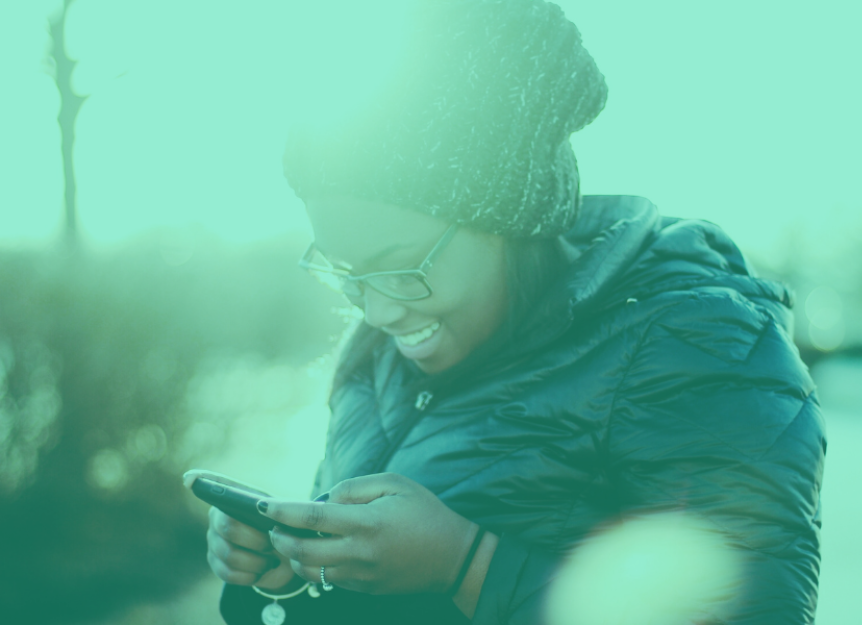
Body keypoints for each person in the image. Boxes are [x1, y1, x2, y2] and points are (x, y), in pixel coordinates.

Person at [194, 1, 826, 623]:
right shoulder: (379, 350)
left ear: (510, 221)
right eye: (346, 271)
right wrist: (290, 568)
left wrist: (468, 567)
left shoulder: (696, 346)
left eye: (402, 264)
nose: (378, 309)